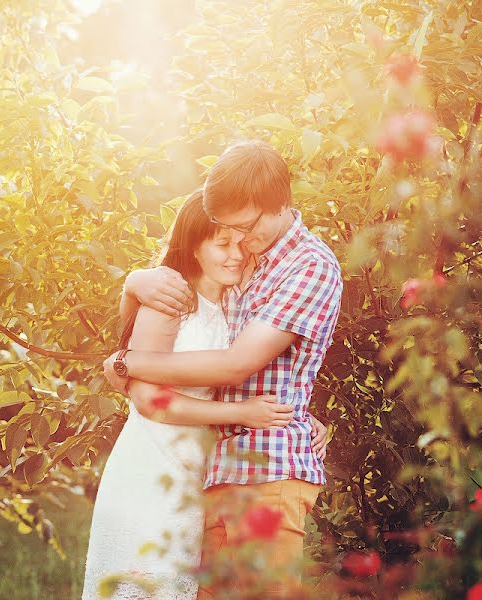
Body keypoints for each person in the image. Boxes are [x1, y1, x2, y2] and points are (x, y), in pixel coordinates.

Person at [103, 139, 343, 598]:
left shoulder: (308, 267)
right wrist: (132, 287)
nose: (240, 243)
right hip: (218, 471)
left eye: (247, 228)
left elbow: (236, 365)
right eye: (227, 231)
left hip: (269, 468)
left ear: (281, 204)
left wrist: (125, 363)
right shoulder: (251, 259)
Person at [82, 190, 299, 600]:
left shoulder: (237, 305)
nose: (236, 254)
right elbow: (149, 402)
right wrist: (241, 413)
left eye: (241, 241)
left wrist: (300, 416)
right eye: (222, 244)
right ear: (194, 249)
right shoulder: (171, 303)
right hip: (150, 470)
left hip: (194, 475)